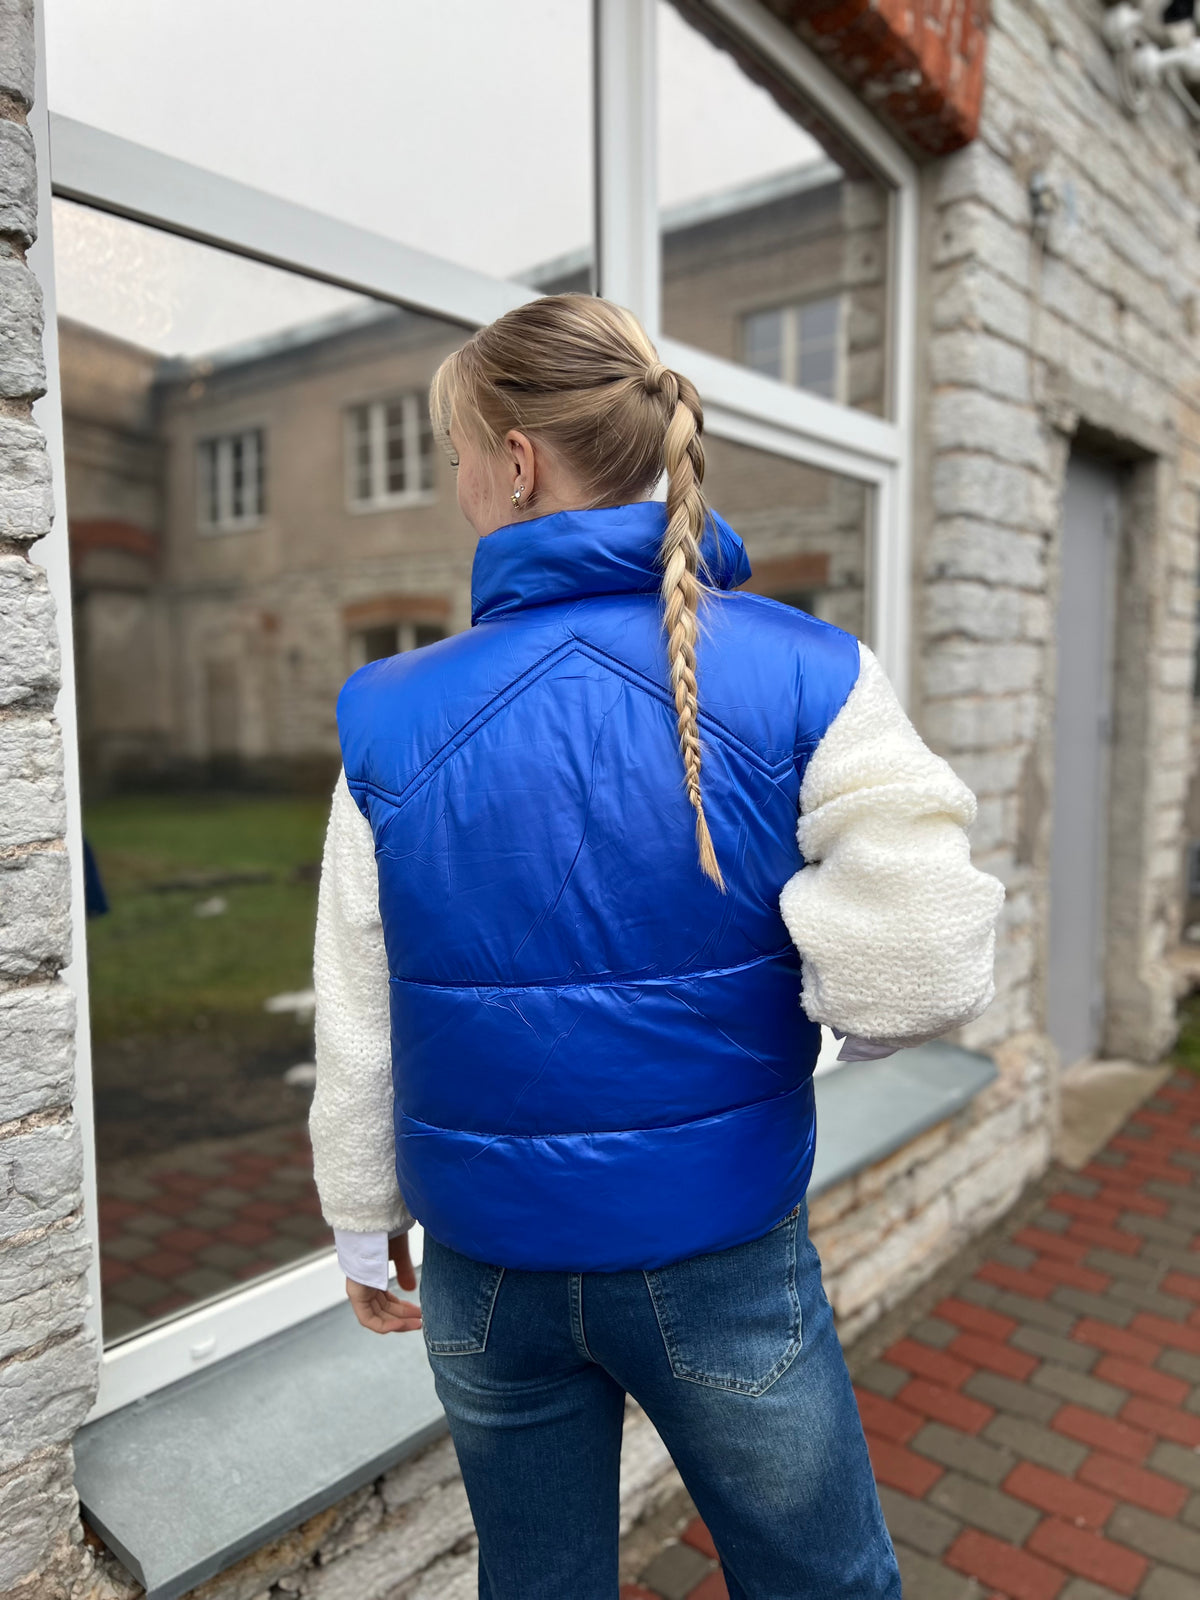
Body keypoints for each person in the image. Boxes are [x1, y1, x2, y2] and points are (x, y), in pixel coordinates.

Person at [308, 294, 1005, 1599]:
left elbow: (359, 1019)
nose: (458, 481)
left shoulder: (389, 713)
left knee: (537, 1583)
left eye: (459, 451)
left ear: (515, 462)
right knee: (822, 1582)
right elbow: (923, 963)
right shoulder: (811, 672)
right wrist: (838, 1021)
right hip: (719, 1253)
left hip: (487, 1275)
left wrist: (360, 1227)